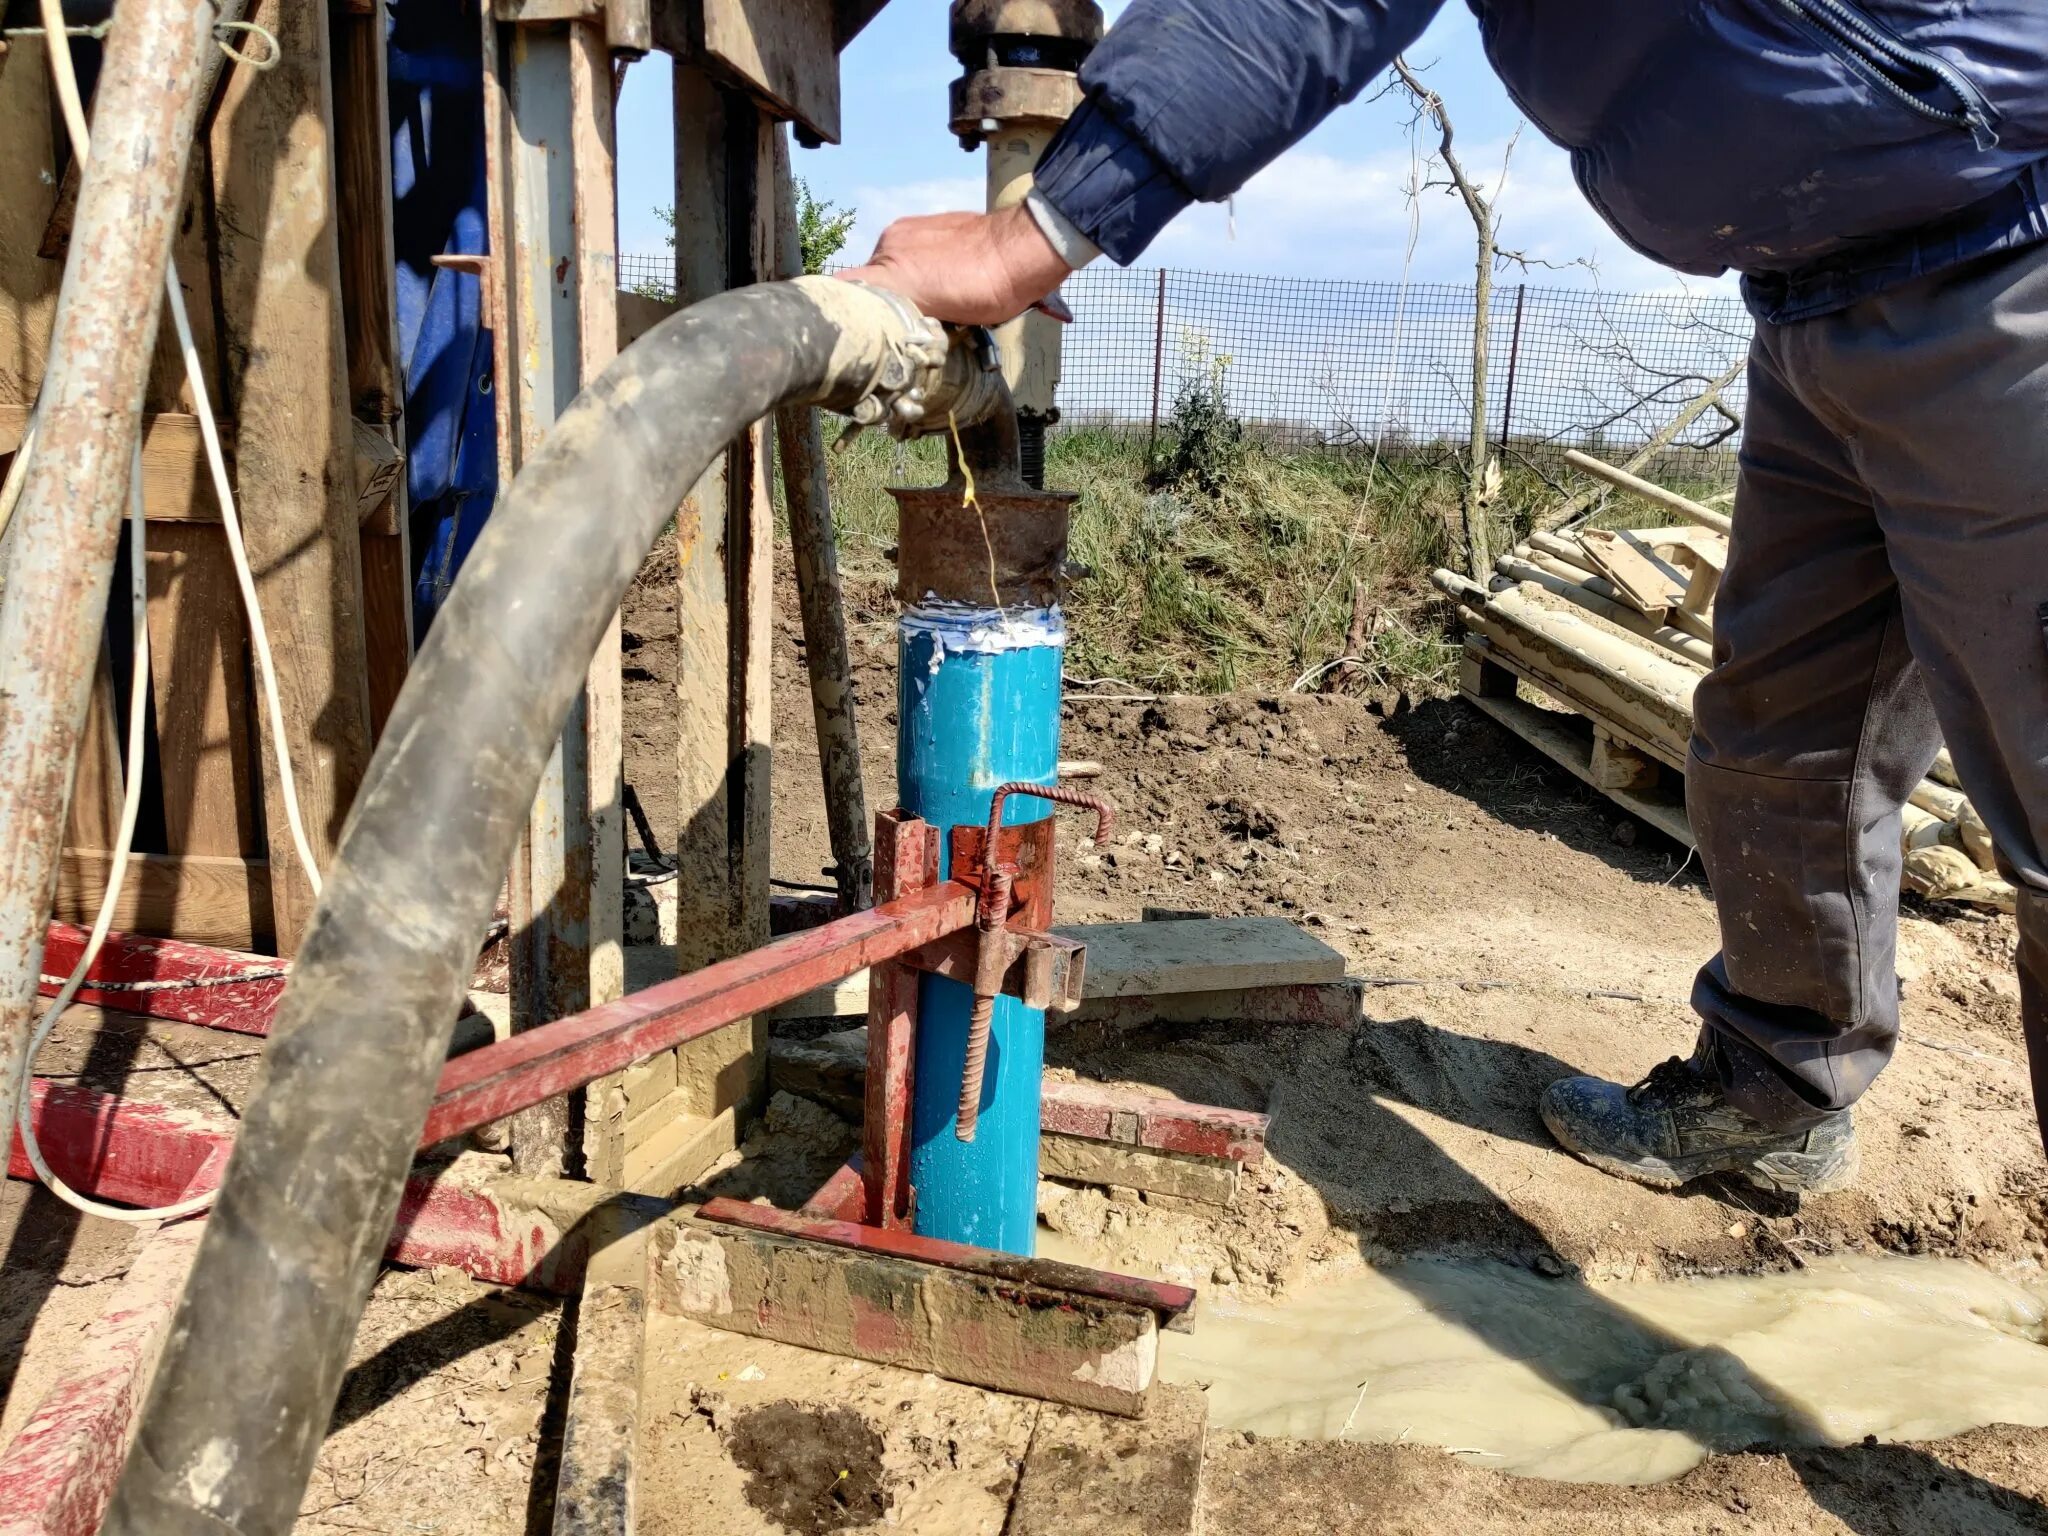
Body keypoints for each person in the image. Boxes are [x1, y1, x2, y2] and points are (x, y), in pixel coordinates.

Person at [841, 1, 2048, 1194]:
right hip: (1815, 295)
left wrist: (1041, 226)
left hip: (2011, 251)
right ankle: (1773, 1096)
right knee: (1781, 746)